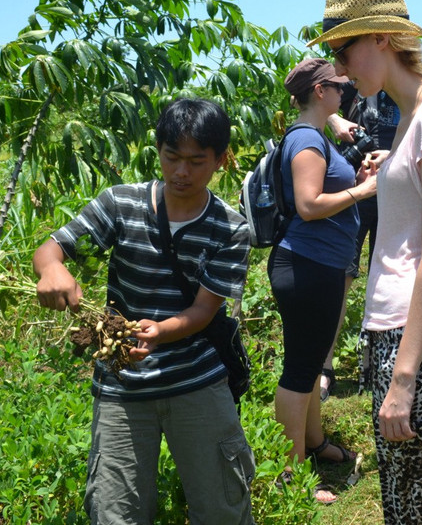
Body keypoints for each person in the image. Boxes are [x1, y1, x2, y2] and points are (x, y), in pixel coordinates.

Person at [310, 0, 422, 525]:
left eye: (345, 50)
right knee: (413, 509)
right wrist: (392, 168)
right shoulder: (419, 117)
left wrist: (403, 380)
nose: (340, 68)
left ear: (384, 39)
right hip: (417, 338)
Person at [33, 98, 255, 525]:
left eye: (195, 161)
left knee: (222, 506)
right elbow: (52, 248)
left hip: (196, 380)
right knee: (116, 511)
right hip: (122, 384)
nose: (181, 172)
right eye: (172, 157)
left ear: (221, 161)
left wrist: (159, 333)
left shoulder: (231, 228)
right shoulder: (121, 203)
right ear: (157, 150)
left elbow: (204, 311)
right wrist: (52, 271)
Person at [270, 58, 377, 504]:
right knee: (299, 369)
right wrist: (362, 192)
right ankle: (290, 474)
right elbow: (309, 204)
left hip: (321, 264)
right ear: (320, 92)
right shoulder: (305, 140)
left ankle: (313, 444)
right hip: (306, 265)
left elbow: (324, 191)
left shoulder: (315, 137)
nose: (345, 91)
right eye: (338, 85)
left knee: (312, 362)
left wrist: (357, 177)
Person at [321, 87, 398, 401]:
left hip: (397, 186)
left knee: (392, 275)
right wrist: (334, 120)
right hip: (353, 182)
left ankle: (382, 364)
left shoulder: (403, 79)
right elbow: (310, 96)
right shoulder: (352, 74)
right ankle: (325, 366)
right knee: (342, 274)